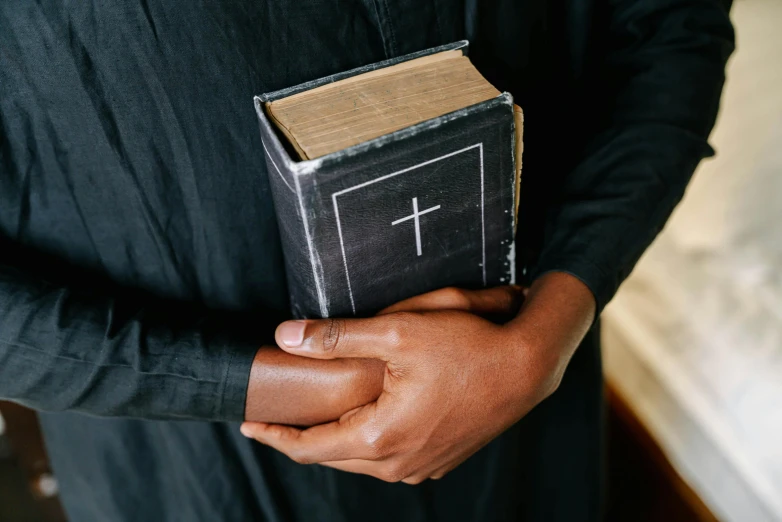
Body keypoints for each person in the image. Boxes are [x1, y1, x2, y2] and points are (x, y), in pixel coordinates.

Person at [0, 1, 733, 521]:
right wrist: (298, 386)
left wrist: (548, 330)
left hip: (529, 404)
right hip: (202, 461)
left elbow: (673, 27)